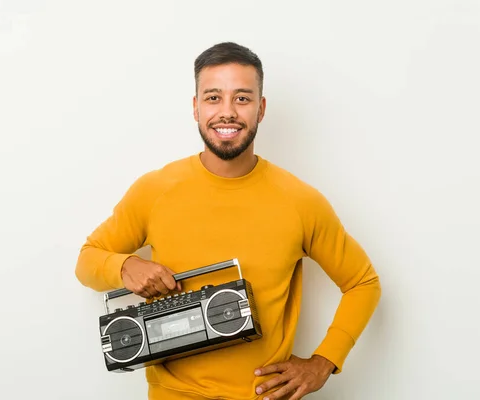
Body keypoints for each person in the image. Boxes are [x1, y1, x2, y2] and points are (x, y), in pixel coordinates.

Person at [75, 41, 381, 400]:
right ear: (195, 107)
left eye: (242, 98)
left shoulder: (301, 201)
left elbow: (363, 282)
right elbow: (87, 259)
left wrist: (324, 361)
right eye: (213, 97)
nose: (227, 112)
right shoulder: (155, 190)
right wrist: (125, 266)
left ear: (261, 109)